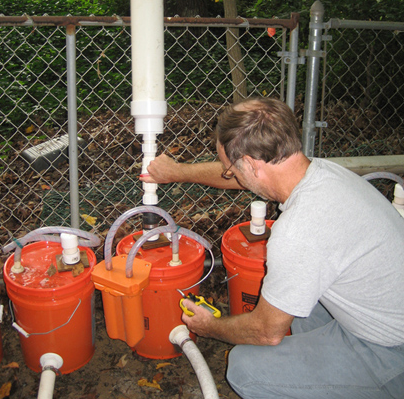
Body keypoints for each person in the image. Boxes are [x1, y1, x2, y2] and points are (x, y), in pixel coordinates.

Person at [140, 97, 404, 399]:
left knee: (246, 369)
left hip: (391, 351)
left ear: (252, 164)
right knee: (294, 299)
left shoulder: (299, 230)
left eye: (231, 170)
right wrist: (178, 172)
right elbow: (245, 178)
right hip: (387, 313)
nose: (231, 176)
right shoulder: (322, 173)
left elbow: (266, 331)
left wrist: (210, 326)